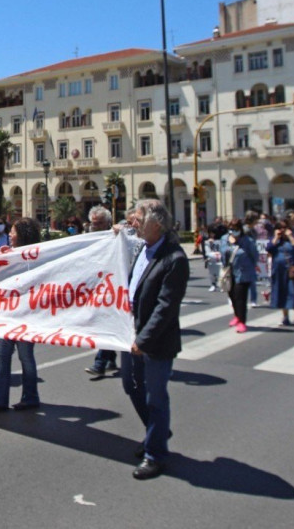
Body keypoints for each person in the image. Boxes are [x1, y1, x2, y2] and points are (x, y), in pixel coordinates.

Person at [121, 199, 189, 480]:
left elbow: (166, 306)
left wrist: (144, 340)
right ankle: (156, 429)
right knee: (130, 385)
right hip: (131, 333)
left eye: (139, 218)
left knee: (155, 396)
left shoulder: (175, 259)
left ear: (157, 224)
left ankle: (155, 454)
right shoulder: (143, 249)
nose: (134, 222)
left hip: (156, 341)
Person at [0, 218, 43, 412]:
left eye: (13, 231)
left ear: (23, 235)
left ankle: (30, 396)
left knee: (26, 357)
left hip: (25, 315)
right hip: (7, 314)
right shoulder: (9, 253)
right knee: (3, 356)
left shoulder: (36, 256)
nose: (9, 234)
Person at [84, 205, 125, 380]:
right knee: (105, 324)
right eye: (94, 223)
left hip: (114, 287)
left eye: (100, 223)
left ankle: (99, 363)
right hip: (97, 287)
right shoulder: (89, 238)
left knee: (107, 324)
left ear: (108, 222)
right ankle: (110, 358)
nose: (96, 226)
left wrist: (120, 233)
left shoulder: (117, 236)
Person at [220, 219, 257, 332]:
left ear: (240, 229)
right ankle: (236, 316)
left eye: (235, 229)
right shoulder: (224, 239)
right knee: (231, 295)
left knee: (240, 297)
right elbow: (223, 254)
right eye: (231, 229)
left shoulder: (247, 241)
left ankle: (242, 321)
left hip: (243, 272)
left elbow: (254, 255)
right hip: (229, 272)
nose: (233, 231)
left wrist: (250, 266)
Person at [266, 221, 294, 327]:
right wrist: (276, 238)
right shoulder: (275, 239)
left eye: (284, 227)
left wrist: (291, 237)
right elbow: (269, 248)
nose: (282, 230)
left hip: (292, 270)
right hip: (279, 270)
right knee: (282, 292)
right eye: (280, 228)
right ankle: (285, 317)